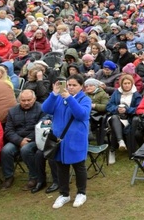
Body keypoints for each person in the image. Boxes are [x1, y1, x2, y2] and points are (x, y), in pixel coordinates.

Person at [41, 73, 92, 209]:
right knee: (61, 168)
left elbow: (81, 115)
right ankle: (64, 194)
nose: (70, 87)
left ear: (81, 87)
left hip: (76, 140)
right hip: (59, 140)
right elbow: (45, 109)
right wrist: (53, 94)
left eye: (74, 85)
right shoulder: (58, 98)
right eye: (69, 85)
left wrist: (69, 98)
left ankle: (81, 193)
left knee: (79, 167)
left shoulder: (85, 99)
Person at [0, 89, 43, 191]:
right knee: (5, 151)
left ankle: (34, 177)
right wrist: (19, 141)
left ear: (34, 99)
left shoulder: (41, 109)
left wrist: (27, 140)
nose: (26, 103)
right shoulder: (12, 111)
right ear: (19, 100)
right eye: (23, 100)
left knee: (26, 150)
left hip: (35, 138)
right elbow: (8, 130)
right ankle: (9, 176)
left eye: (29, 100)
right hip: (17, 139)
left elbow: (41, 127)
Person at [106, 73, 142, 160]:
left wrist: (127, 110)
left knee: (115, 128)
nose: (126, 85)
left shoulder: (136, 94)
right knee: (115, 119)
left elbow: (139, 109)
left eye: (128, 83)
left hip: (129, 118)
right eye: (124, 83)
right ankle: (121, 141)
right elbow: (109, 106)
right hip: (116, 115)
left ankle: (112, 150)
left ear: (132, 84)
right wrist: (117, 108)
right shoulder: (116, 93)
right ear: (121, 84)